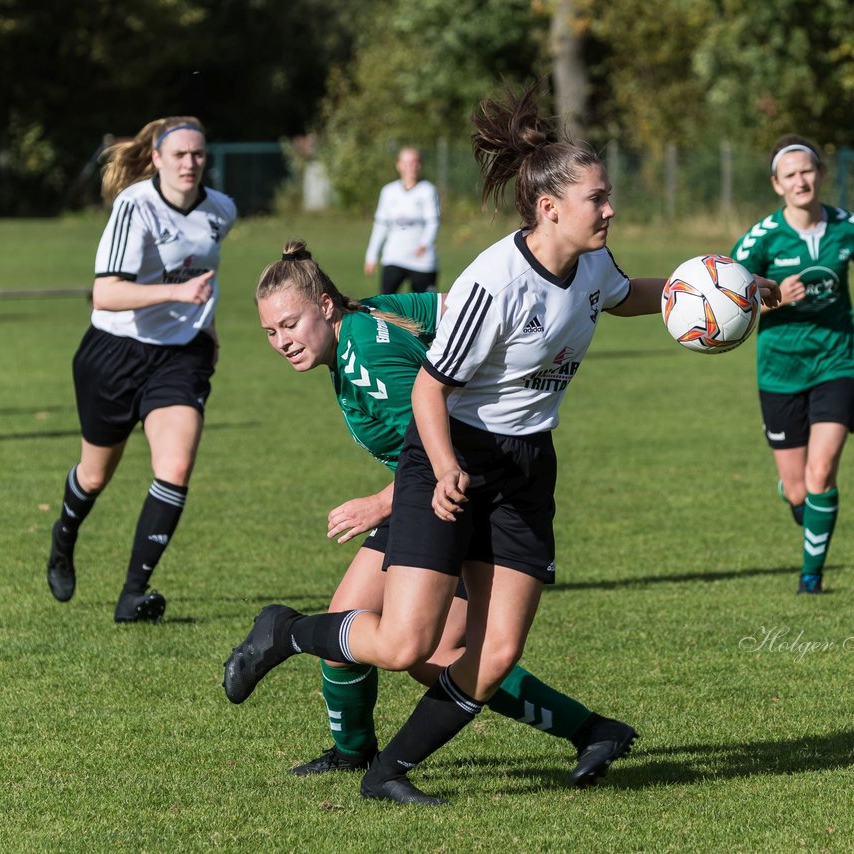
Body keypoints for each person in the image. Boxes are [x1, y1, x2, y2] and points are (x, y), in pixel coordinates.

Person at [225, 82, 779, 805]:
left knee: (491, 656)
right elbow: (429, 390)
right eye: (599, 200)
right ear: (550, 207)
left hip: (526, 468)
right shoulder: (496, 283)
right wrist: (448, 467)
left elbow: (622, 295)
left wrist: (727, 290)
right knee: (406, 645)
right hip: (450, 459)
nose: (611, 210)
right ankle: (288, 631)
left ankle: (387, 773)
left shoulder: (591, 264)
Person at [232, 239, 637, 785]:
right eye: (271, 333)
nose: (283, 341)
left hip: (457, 493)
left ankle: (589, 729)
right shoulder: (374, 312)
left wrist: (379, 502)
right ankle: (352, 751)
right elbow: (462, 303)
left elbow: (430, 442)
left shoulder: (364, 357)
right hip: (430, 491)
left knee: (429, 651)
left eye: (290, 324)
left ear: (326, 305)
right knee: (350, 627)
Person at [45, 116, 237, 622]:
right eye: (179, 155)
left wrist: (208, 328)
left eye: (197, 154)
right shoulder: (136, 206)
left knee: (174, 466)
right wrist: (177, 293)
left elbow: (204, 274)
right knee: (93, 475)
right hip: (115, 352)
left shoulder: (221, 210)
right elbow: (105, 293)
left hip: (179, 356)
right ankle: (63, 538)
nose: (190, 163)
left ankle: (133, 595)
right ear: (155, 158)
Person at [732, 135, 854, 595]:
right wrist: (776, 298)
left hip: (838, 361)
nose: (801, 181)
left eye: (808, 171)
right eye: (790, 175)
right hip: (779, 370)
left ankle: (811, 577)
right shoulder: (760, 240)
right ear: (777, 185)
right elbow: (732, 303)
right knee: (799, 490)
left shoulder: (849, 228)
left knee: (821, 473)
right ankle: (805, 507)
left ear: (820, 175)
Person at [363, 147, 440, 294]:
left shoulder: (428, 190)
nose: (409, 167)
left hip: (422, 261)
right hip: (394, 257)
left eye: (413, 162)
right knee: (386, 305)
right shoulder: (388, 191)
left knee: (423, 310)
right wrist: (371, 255)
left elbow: (433, 221)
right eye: (405, 162)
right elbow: (380, 225)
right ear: (398, 165)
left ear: (419, 165)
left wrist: (424, 243)